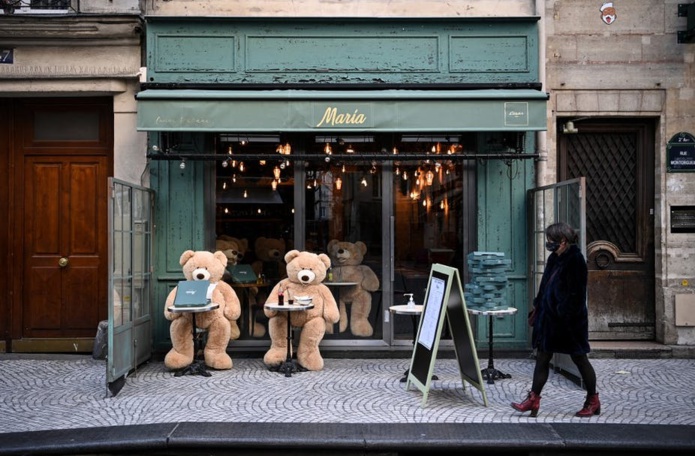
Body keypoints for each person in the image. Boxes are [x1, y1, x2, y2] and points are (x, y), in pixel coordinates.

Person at [511, 222, 600, 418]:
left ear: (563, 241)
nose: (548, 243)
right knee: (542, 358)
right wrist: (539, 306)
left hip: (570, 323)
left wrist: (563, 313)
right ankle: (533, 400)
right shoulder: (554, 258)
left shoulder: (576, 260)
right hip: (549, 321)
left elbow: (576, 295)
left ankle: (593, 400)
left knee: (580, 359)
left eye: (551, 240)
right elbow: (545, 287)